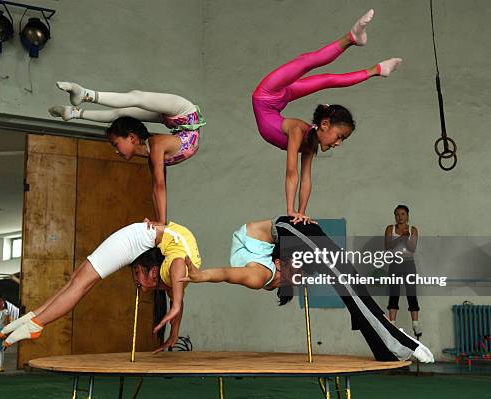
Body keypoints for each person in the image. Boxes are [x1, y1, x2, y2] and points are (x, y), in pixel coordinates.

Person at [181, 216, 434, 363]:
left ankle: (394, 340)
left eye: (299, 271)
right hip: (286, 234)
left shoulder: (258, 275)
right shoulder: (269, 271)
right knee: (343, 279)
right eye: (300, 273)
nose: (302, 272)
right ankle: (388, 345)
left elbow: (226, 274)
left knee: (343, 275)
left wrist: (199, 275)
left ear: (280, 264)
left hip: (285, 227)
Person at [252, 9, 401, 224]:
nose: (338, 143)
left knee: (326, 79)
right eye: (339, 136)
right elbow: (292, 171)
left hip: (278, 99)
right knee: (308, 63)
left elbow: (306, 179)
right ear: (324, 124)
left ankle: (378, 68)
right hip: (266, 95)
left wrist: (301, 213)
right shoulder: (297, 129)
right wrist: (289, 210)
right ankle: (352, 39)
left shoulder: (311, 142)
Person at [0, 220, 201, 353]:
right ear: (154, 272)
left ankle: (32, 318)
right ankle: (36, 325)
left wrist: (174, 334)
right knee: (81, 283)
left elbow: (177, 298)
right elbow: (178, 265)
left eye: (137, 274)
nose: (137, 283)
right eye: (138, 273)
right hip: (136, 238)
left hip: (148, 236)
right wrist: (174, 308)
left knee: (76, 280)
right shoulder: (176, 270)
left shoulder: (173, 281)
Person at [49, 85, 206, 224]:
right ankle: (74, 113)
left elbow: (160, 186)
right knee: (120, 113)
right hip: (178, 121)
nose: (116, 151)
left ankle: (85, 94)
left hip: (185, 112)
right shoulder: (152, 152)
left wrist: (161, 222)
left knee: (138, 97)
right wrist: (160, 223)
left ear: (132, 137)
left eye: (116, 144)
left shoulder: (157, 144)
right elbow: (155, 189)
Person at [384, 205, 421, 336]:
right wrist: (401, 237)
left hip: (409, 264)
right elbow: (388, 246)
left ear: (407, 216)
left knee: (411, 293)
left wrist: (406, 237)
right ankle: (392, 323)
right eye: (397, 214)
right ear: (395, 216)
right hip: (395, 263)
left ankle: (415, 324)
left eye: (403, 214)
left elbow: (412, 248)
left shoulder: (413, 230)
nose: (400, 217)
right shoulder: (390, 228)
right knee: (394, 293)